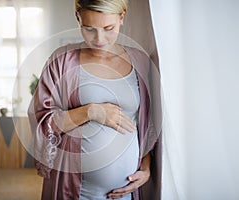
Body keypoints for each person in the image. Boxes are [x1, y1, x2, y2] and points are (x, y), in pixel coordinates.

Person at [28, 0, 162, 199]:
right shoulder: (61, 62)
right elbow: (43, 121)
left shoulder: (141, 62)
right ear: (78, 19)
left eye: (109, 28)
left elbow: (147, 123)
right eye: (89, 29)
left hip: (127, 191)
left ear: (122, 17)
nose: (99, 39)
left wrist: (146, 166)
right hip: (76, 191)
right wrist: (90, 111)